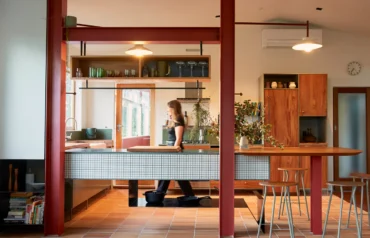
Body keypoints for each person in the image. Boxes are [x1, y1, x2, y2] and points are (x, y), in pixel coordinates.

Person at [156, 100, 195, 197]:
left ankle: (159, 194)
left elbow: (178, 138)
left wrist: (173, 150)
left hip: (175, 150)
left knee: (170, 172)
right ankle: (189, 195)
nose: (167, 110)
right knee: (176, 174)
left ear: (173, 108)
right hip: (171, 149)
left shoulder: (178, 120)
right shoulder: (173, 119)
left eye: (168, 108)